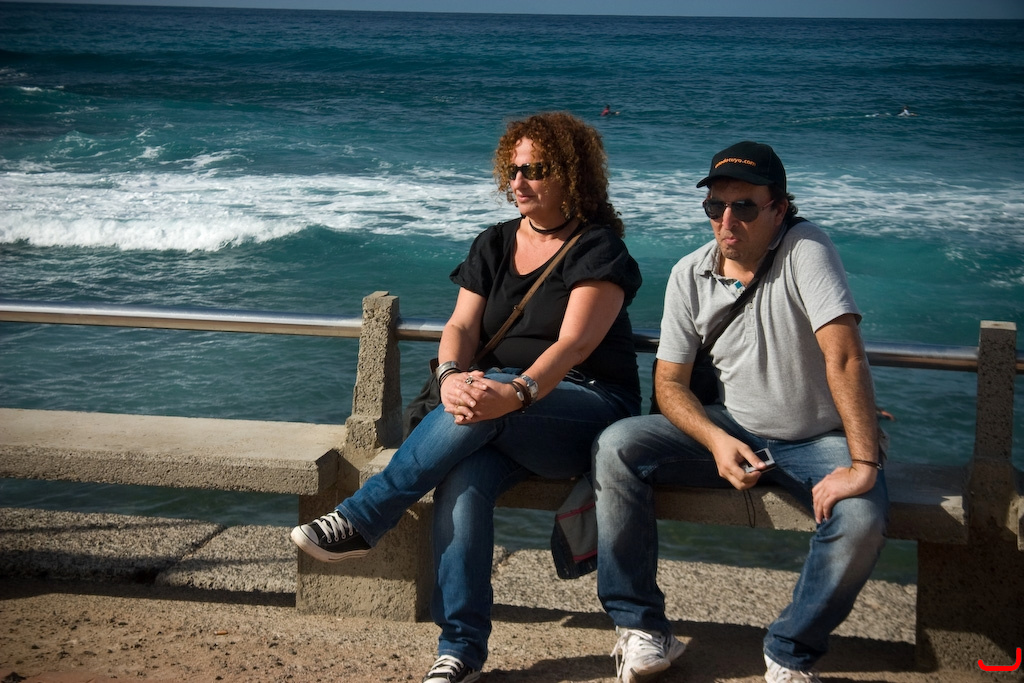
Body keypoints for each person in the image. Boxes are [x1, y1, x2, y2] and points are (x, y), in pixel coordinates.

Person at [292, 112, 643, 683]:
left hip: (585, 406)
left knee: (486, 401)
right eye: (513, 169)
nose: (519, 181)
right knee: (462, 482)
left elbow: (575, 345)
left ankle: (365, 515)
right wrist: (452, 375)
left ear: (571, 174)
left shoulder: (597, 248)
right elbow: (459, 326)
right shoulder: (495, 242)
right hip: (495, 406)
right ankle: (459, 651)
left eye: (536, 169)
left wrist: (518, 390)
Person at [592, 141, 888, 683]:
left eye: (745, 206)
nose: (727, 220)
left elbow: (844, 355)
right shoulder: (689, 273)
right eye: (716, 206)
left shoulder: (806, 249)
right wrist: (715, 439)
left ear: (779, 208)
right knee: (616, 446)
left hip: (818, 438)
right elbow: (669, 384)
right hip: (735, 427)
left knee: (863, 521)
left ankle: (790, 652)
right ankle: (641, 627)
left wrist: (864, 462)